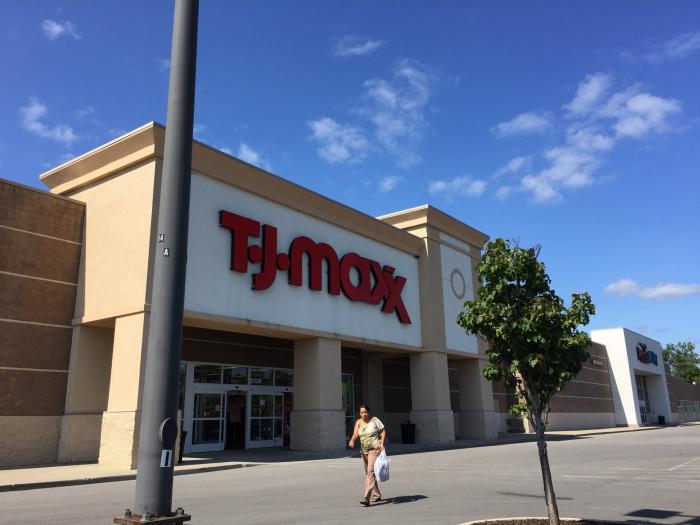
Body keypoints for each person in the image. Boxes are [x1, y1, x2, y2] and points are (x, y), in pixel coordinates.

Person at [348, 404, 386, 506]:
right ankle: (376, 495)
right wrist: (352, 440)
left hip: (375, 449)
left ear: (369, 412)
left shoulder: (375, 420)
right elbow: (356, 433)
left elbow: (382, 432)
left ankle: (366, 498)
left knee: (370, 472)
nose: (364, 414)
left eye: (365, 412)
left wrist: (382, 444)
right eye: (362, 412)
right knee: (369, 473)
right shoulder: (358, 422)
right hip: (364, 451)